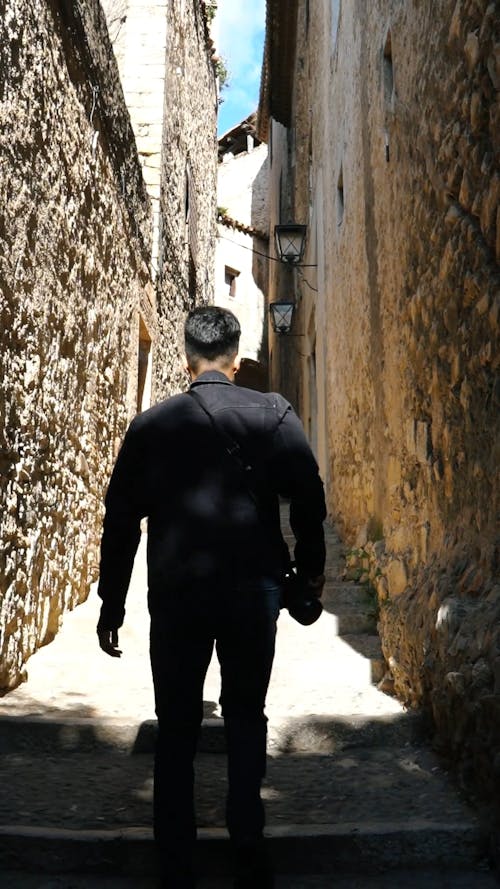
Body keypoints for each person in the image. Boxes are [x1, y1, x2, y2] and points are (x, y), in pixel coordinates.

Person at [97, 305, 326, 889]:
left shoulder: (151, 426)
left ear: (185, 356)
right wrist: (309, 580)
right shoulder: (274, 413)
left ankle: (175, 857)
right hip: (254, 594)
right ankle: (248, 843)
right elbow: (309, 503)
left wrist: (112, 602)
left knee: (176, 725)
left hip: (176, 596)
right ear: (236, 356)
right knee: (247, 714)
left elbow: (120, 520)